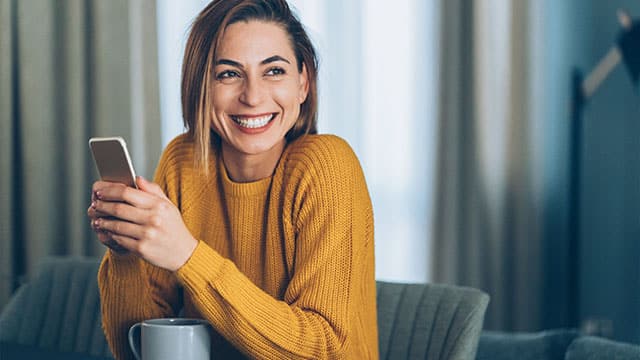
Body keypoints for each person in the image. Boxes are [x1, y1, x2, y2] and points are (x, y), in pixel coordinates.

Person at [87, 0, 378, 358]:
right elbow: (136, 348)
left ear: (303, 82)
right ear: (202, 87)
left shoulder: (328, 166)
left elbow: (322, 348)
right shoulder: (185, 162)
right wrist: (126, 253)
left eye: (273, 71)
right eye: (229, 74)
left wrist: (188, 256)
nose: (253, 97)